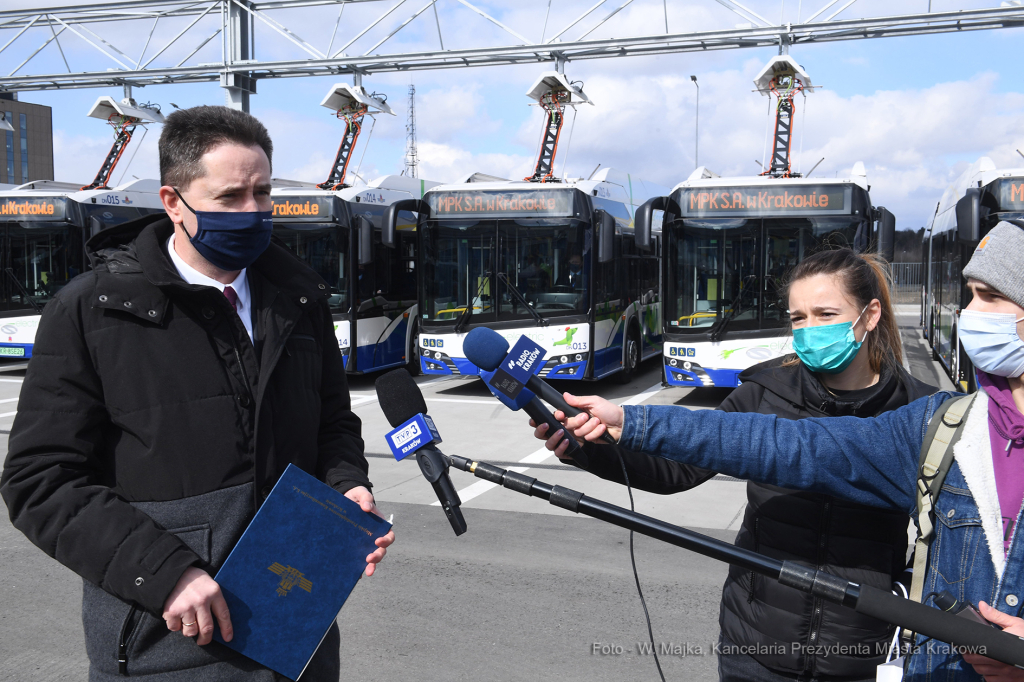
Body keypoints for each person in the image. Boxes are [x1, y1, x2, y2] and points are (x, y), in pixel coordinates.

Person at [0, 105, 395, 681]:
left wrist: (346, 486)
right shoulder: (90, 310)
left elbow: (333, 422)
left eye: (263, 193)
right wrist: (165, 574)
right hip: (169, 646)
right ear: (172, 202)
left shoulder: (299, 301)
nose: (254, 212)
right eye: (231, 197)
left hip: (297, 638)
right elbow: (40, 481)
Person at [544, 221, 1024, 682]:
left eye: (825, 315)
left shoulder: (923, 413)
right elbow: (681, 467)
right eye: (798, 318)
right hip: (757, 642)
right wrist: (592, 447)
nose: (809, 329)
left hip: (860, 651)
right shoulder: (765, 390)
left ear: (869, 315)